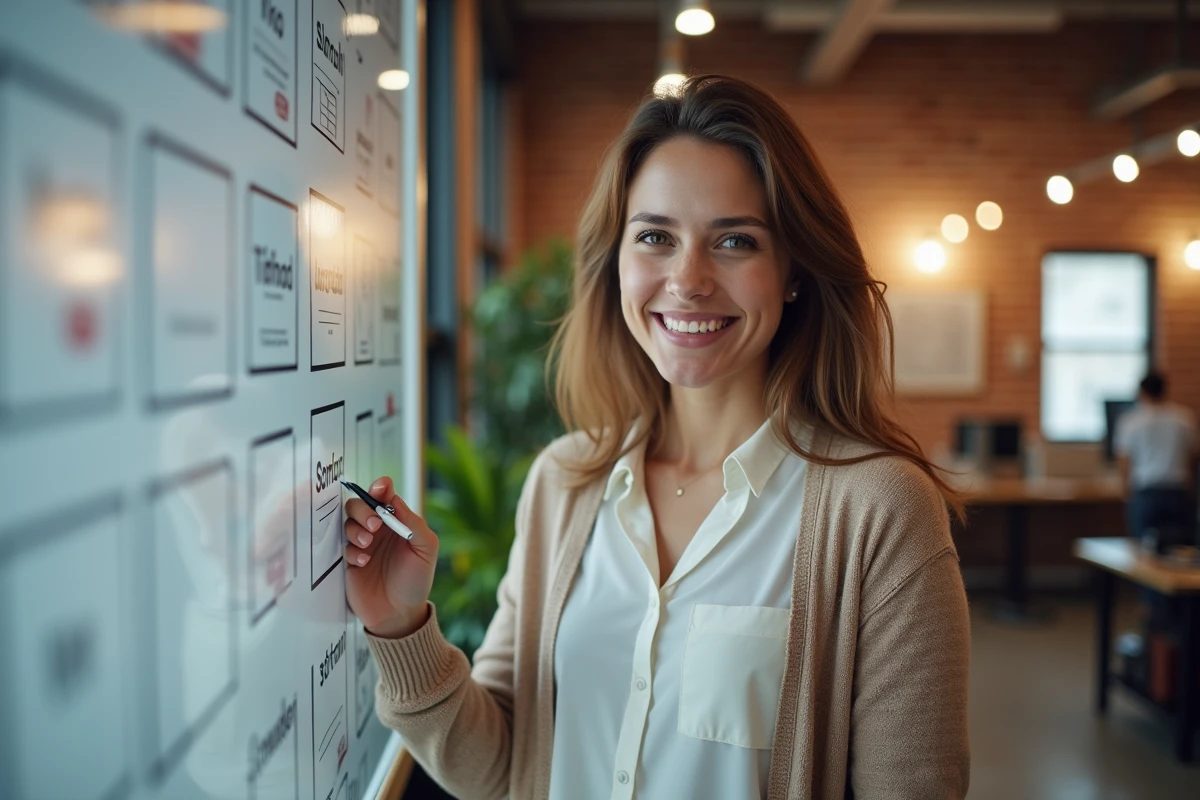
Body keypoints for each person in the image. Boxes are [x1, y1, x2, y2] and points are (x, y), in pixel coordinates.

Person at [343, 75, 970, 799]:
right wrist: (400, 625)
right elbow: (499, 770)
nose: (688, 279)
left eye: (735, 240)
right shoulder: (565, 481)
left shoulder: (882, 510)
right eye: (655, 237)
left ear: (793, 272)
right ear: (617, 262)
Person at [1115, 372, 1199, 543]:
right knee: (1180, 547)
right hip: (1177, 491)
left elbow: (1124, 460)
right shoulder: (1184, 419)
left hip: (1146, 492)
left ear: (1141, 393)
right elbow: (1193, 456)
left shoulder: (1131, 421)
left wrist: (1126, 493)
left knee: (1140, 548)